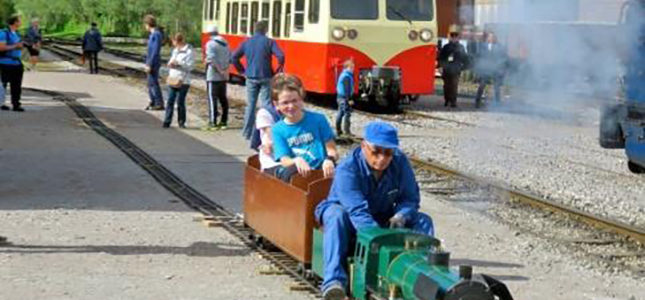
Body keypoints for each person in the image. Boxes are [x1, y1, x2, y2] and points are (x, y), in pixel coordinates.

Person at [314, 121, 434, 300]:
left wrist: (401, 215)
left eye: (388, 153)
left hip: (384, 214)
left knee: (423, 220)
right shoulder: (348, 169)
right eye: (376, 151)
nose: (382, 158)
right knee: (335, 215)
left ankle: (419, 275)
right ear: (364, 146)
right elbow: (357, 211)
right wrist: (384, 242)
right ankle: (333, 281)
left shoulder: (400, 162)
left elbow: (410, 199)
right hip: (348, 215)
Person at [271, 74, 337, 182]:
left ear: (301, 99)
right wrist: (296, 160)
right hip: (298, 170)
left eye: (294, 101)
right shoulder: (278, 129)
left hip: (321, 168)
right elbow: (284, 159)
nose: (291, 106)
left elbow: (331, 148)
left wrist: (330, 159)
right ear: (276, 104)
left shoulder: (318, 120)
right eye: (285, 103)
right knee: (290, 175)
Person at [232, 20, 285, 140]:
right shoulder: (269, 42)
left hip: (250, 77)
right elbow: (281, 56)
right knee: (266, 104)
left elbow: (234, 57)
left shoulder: (246, 42)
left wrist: (241, 71)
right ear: (265, 30)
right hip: (266, 76)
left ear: (254, 29)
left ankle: (246, 133)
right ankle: (268, 133)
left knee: (250, 105)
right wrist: (277, 70)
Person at [250, 75, 285, 173]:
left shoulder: (300, 113)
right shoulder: (266, 113)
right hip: (274, 162)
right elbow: (273, 142)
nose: (290, 105)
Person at [163, 33, 195, 129]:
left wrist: (179, 63)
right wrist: (170, 64)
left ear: (178, 41)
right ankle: (167, 121)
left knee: (180, 101)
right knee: (170, 100)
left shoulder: (189, 51)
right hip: (173, 78)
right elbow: (170, 61)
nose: (172, 43)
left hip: (183, 80)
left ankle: (181, 122)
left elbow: (191, 66)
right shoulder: (175, 51)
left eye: (173, 41)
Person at [203, 24, 230, 131]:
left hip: (213, 76)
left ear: (209, 34)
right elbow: (229, 58)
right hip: (223, 77)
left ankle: (212, 122)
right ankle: (224, 121)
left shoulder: (210, 44)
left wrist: (220, 71)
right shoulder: (226, 44)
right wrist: (224, 71)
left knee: (212, 98)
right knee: (223, 98)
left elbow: (212, 60)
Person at [438, 25, 469, 108]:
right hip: (447, 69)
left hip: (456, 69)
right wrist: (440, 67)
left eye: (456, 35)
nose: (454, 37)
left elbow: (465, 58)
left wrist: (463, 68)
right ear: (450, 37)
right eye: (452, 35)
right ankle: (447, 100)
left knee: (454, 86)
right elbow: (440, 58)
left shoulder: (461, 47)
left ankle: (453, 101)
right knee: (446, 86)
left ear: (458, 37)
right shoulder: (446, 47)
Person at [474, 32, 507, 107]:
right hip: (486, 69)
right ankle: (477, 102)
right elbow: (479, 56)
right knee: (482, 86)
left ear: (495, 38)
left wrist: (500, 68)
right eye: (490, 37)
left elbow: (502, 58)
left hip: (495, 69)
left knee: (496, 87)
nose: (491, 38)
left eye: (493, 37)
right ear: (487, 38)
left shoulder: (499, 47)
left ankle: (497, 103)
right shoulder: (483, 46)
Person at [0, 15, 25, 112]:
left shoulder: (17, 34)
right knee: (3, 84)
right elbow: (1, 47)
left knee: (17, 85)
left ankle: (16, 104)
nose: (21, 22)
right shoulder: (3, 33)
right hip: (5, 62)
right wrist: (15, 46)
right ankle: (1, 103)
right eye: (19, 20)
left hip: (17, 63)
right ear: (14, 22)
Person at [143, 15, 164, 111]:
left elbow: (155, 51)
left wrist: (150, 64)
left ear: (148, 24)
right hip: (150, 61)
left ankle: (158, 102)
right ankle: (153, 100)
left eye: (145, 24)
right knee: (150, 82)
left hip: (154, 62)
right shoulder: (153, 35)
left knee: (153, 82)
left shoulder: (156, 35)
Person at [335, 59, 354, 137]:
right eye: (351, 67)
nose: (353, 69)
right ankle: (347, 132)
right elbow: (347, 89)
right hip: (344, 98)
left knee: (340, 113)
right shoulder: (346, 76)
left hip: (340, 97)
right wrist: (349, 99)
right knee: (347, 114)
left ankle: (338, 130)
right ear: (347, 67)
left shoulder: (343, 74)